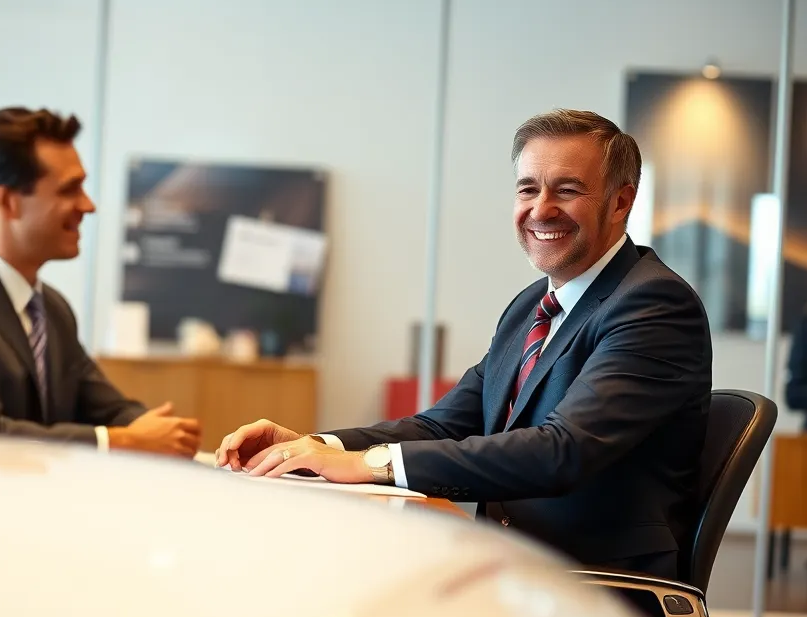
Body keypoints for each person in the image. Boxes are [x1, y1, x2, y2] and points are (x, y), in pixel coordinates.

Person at [216, 109, 712, 577]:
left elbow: (563, 451)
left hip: (597, 591)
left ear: (621, 202)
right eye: (528, 189)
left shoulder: (654, 304)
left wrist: (369, 465)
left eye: (567, 190)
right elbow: (442, 425)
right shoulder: (531, 306)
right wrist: (315, 446)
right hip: (514, 571)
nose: (541, 209)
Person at [0, 106, 201, 456]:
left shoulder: (53, 309)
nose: (88, 206)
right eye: (69, 190)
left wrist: (162, 429)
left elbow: (105, 406)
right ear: (8, 202)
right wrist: (121, 440)